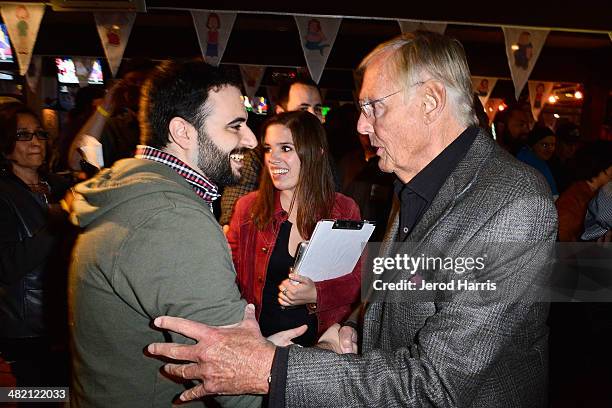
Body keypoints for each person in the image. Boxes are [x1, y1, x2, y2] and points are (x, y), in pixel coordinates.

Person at [148, 31, 557, 407]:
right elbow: (404, 293)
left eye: (372, 107)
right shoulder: (415, 182)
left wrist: (271, 368)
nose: (361, 125)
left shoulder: (514, 204)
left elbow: (438, 383)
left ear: (430, 101)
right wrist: (353, 329)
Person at [68, 60, 277, 407]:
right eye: (235, 126)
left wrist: (267, 353)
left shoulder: (139, 189)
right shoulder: (171, 217)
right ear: (183, 132)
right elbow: (240, 388)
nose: (252, 139)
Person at [227, 111, 361, 347]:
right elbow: (227, 279)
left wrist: (317, 294)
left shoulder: (343, 209)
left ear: (316, 153)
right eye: (268, 149)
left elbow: (358, 281)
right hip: (262, 346)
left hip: (321, 348)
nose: (273, 158)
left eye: (286, 148)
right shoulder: (248, 209)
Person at [0, 102, 71, 388]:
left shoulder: (57, 186)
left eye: (39, 134)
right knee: (38, 397)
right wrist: (59, 221)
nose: (35, 142)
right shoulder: (3, 195)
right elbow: (7, 265)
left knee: (65, 395)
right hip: (26, 326)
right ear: (4, 145)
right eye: (23, 135)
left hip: (64, 318)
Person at [219, 77, 325, 230]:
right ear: (280, 113)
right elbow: (232, 222)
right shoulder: (254, 159)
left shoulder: (329, 163)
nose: (312, 115)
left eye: (317, 109)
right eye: (303, 109)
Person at [67, 59, 157, 171]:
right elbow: (77, 162)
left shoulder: (168, 126)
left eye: (142, 83)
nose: (136, 89)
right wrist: (106, 106)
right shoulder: (116, 127)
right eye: (131, 83)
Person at [517, 125, 559, 198]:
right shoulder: (528, 166)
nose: (550, 149)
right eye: (544, 145)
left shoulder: (542, 163)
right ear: (533, 145)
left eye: (552, 145)